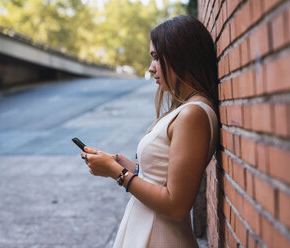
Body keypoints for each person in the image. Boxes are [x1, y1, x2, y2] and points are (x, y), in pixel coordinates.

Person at [80, 15, 219, 248]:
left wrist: (117, 173)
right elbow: (167, 178)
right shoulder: (188, 110)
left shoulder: (193, 114)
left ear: (178, 55)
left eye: (156, 57)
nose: (150, 67)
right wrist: (129, 167)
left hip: (161, 237)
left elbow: (176, 205)